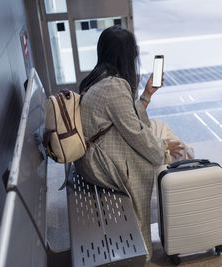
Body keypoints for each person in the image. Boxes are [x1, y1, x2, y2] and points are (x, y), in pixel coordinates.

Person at [74, 25, 189, 260]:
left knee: (161, 132)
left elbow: (128, 120)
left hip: (92, 155)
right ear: (126, 56)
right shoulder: (115, 86)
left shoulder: (98, 78)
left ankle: (185, 166)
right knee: (169, 148)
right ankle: (147, 248)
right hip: (100, 163)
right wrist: (163, 150)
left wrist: (147, 94)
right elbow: (135, 132)